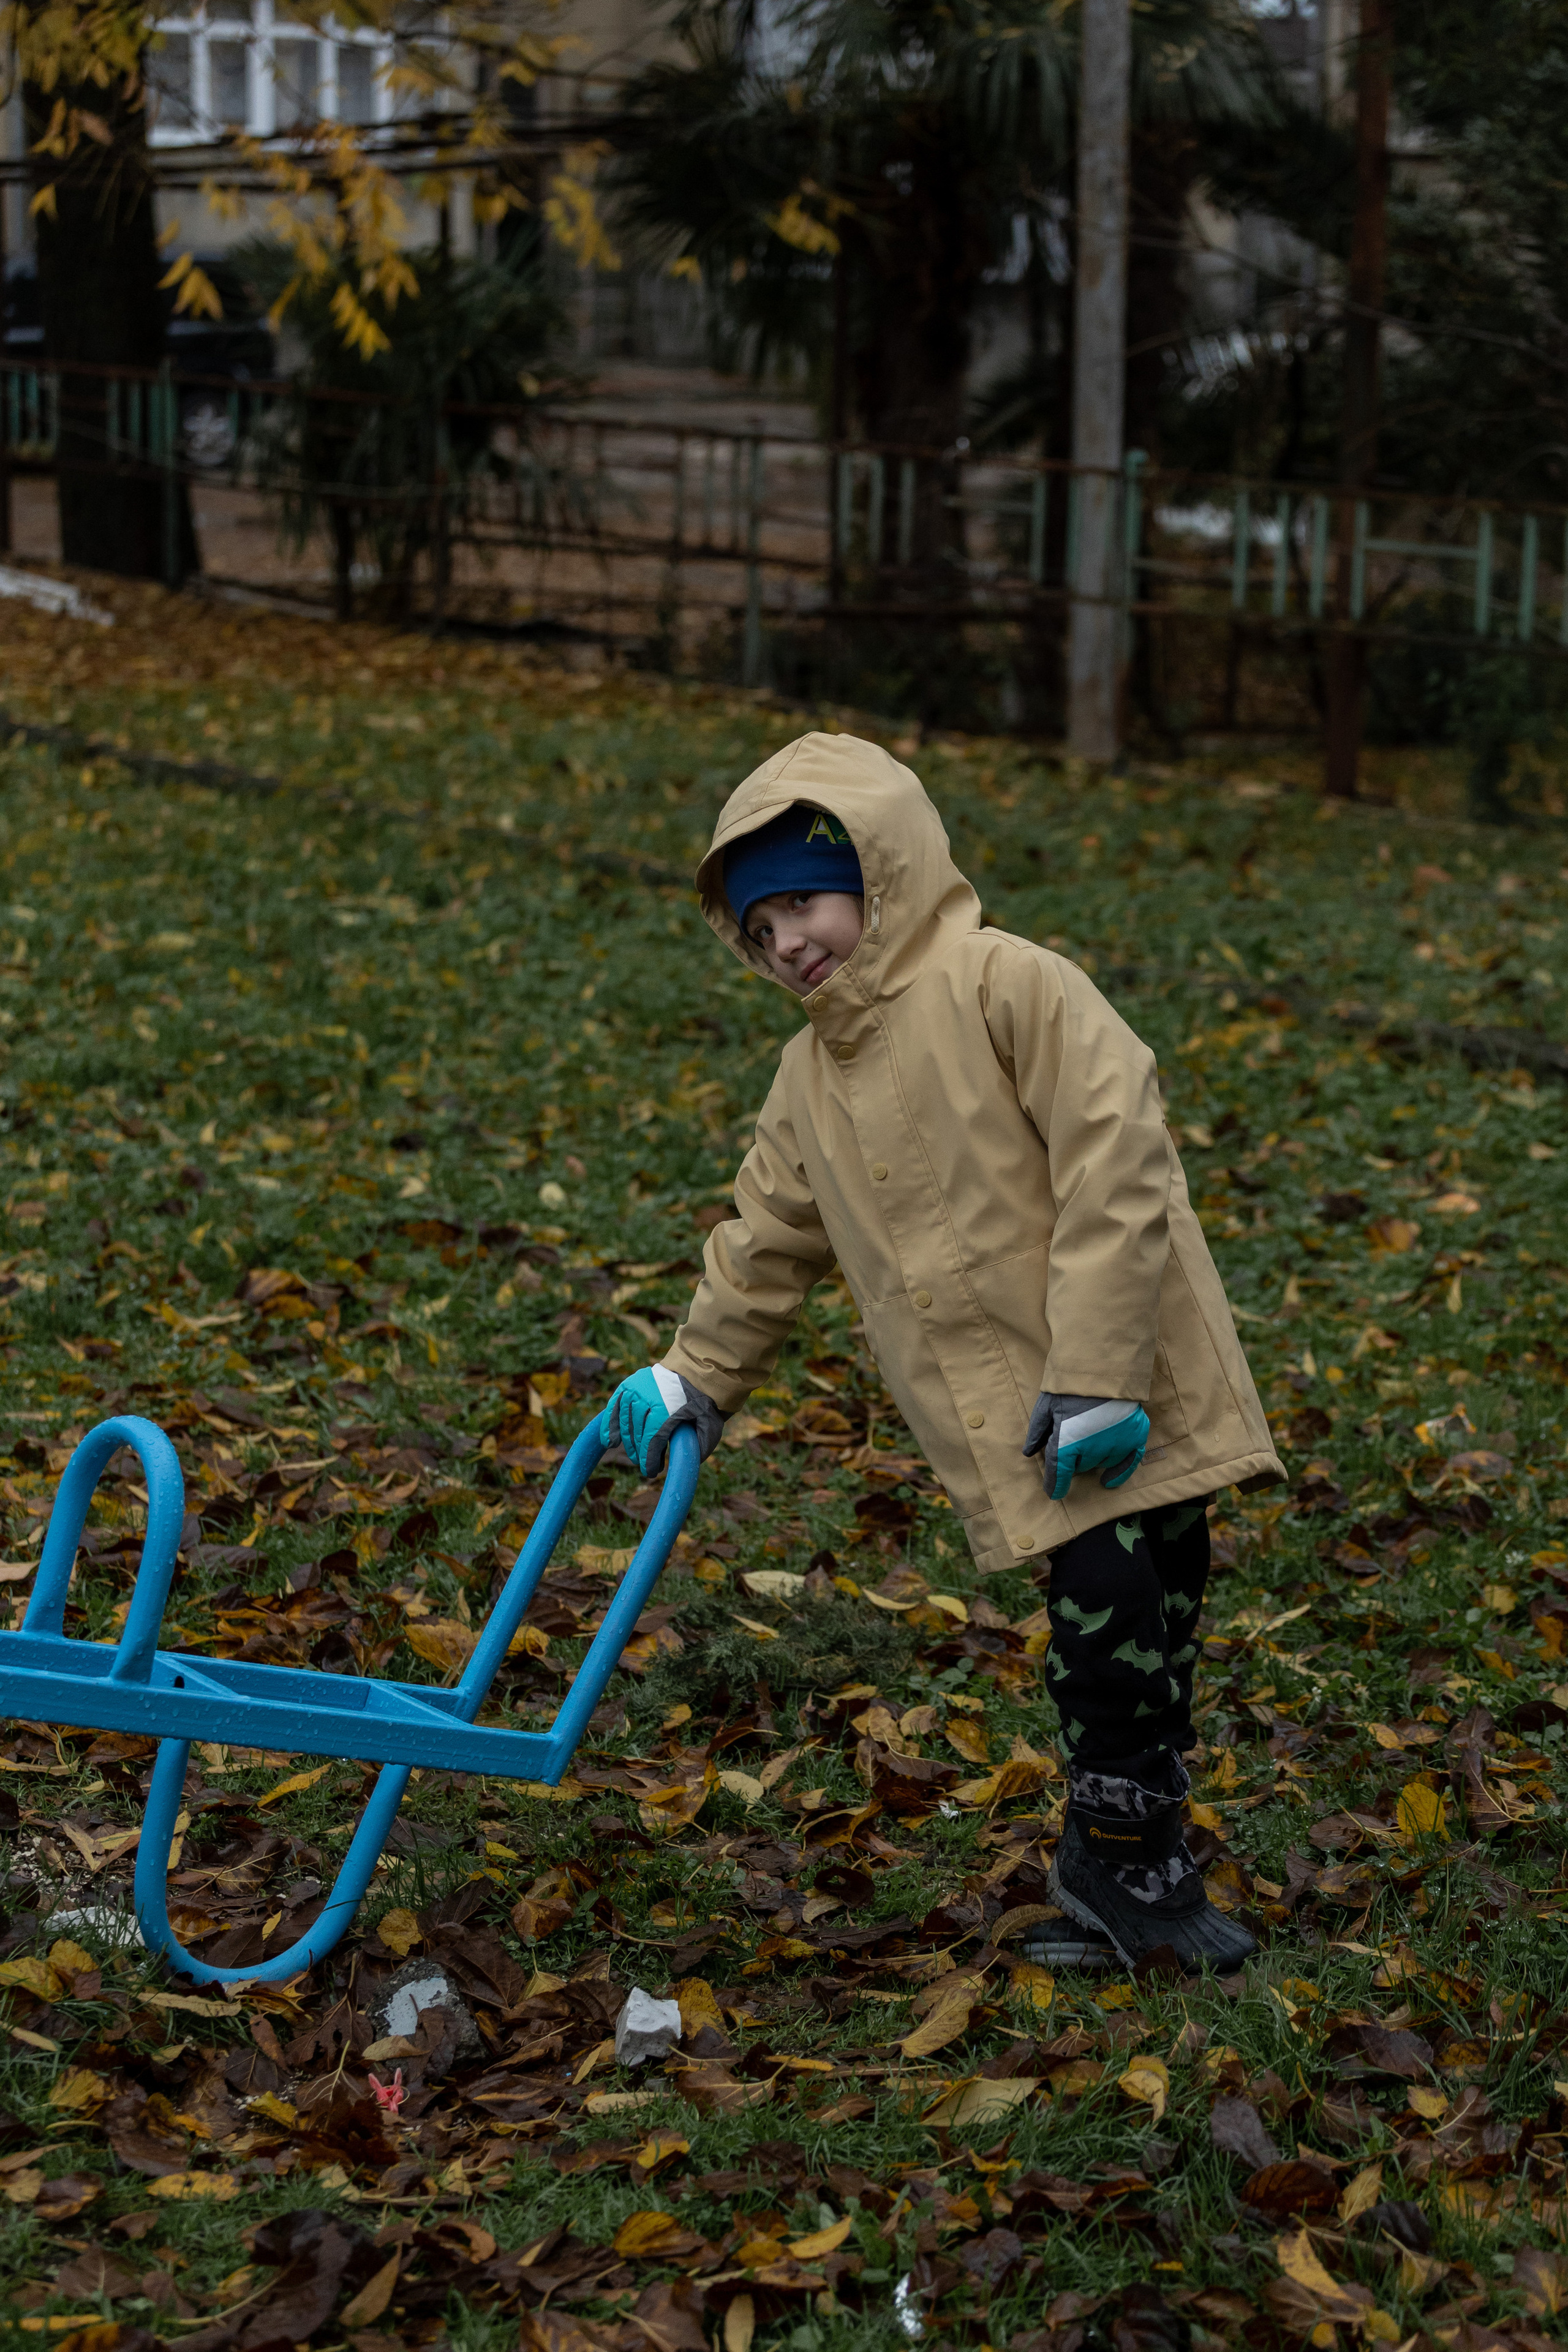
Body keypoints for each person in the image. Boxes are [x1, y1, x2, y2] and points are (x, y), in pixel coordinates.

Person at [600, 733, 1283, 1970]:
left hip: (1131, 1372)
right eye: (758, 930)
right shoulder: (809, 1081)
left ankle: (1131, 1845)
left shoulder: (1004, 985)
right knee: (1109, 1620)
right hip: (1032, 1415)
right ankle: (1125, 1865)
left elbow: (1117, 1152)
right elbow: (765, 1240)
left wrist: (1099, 1372)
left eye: (802, 902)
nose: (786, 943)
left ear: (880, 868)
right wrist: (695, 1371)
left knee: (1161, 1610)